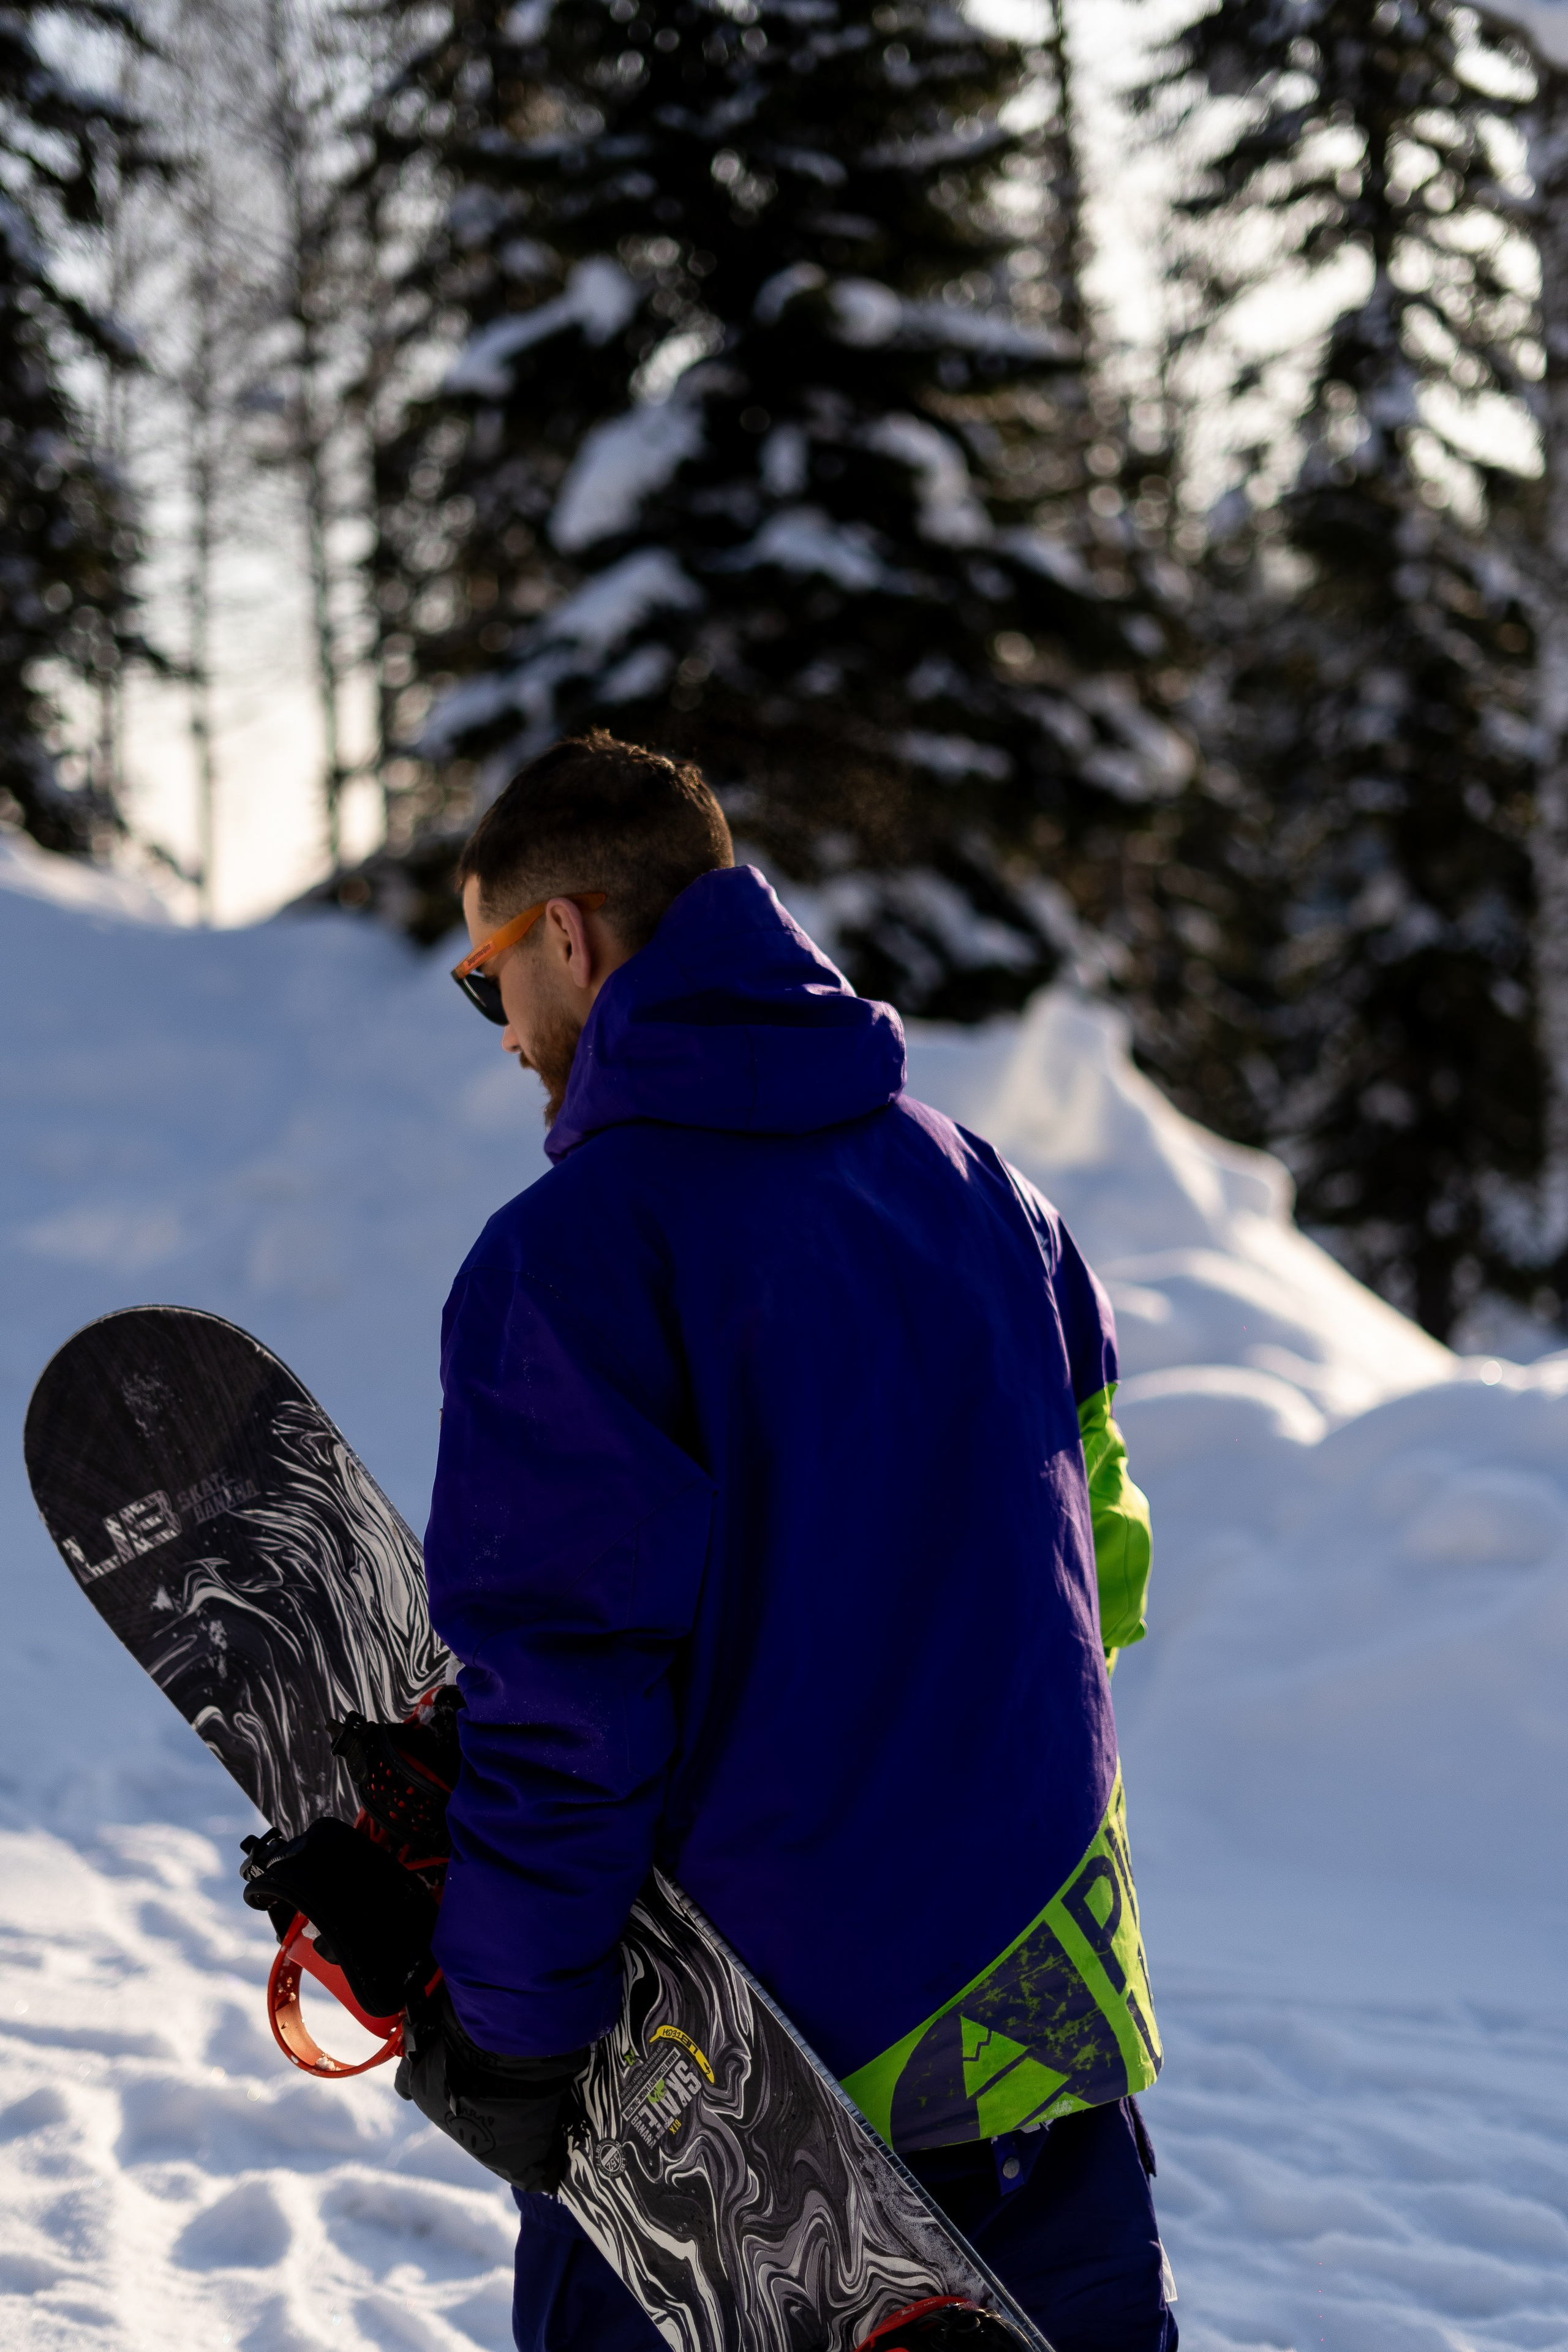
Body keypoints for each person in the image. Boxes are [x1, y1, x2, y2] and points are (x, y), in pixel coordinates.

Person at [409, 729, 1174, 2351]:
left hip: (751, 2098)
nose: (508, 1037)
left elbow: (566, 1689)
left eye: (491, 980)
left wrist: (517, 2027)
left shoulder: (578, 1257)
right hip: (1046, 2033)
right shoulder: (992, 1197)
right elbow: (1100, 1557)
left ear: (568, 935)